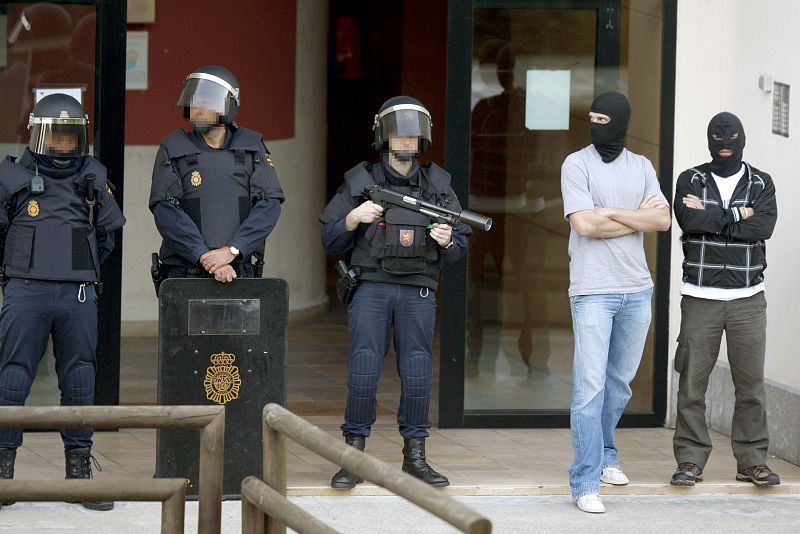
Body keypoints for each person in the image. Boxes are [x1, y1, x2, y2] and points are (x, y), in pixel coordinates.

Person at [320, 96, 472, 488]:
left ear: (423, 140)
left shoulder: (438, 186)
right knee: (364, 368)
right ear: (383, 137)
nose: (405, 141)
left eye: (412, 135)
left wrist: (446, 240)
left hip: (417, 289)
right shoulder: (359, 181)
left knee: (418, 370)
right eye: (398, 134)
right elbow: (329, 236)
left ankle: (415, 456)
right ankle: (352, 458)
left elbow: (459, 249)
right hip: (371, 286)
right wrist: (353, 218)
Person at [0, 93, 126, 512]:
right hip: (25, 291)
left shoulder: (93, 176)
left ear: (81, 139)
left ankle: (80, 475)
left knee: (79, 377)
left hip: (77, 293)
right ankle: (3, 471)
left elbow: (106, 237)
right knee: (13, 376)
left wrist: (78, 273)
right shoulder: (13, 177)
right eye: (54, 138)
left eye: (69, 139)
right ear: (37, 136)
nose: (61, 146)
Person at [560, 91, 671, 513]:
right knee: (588, 388)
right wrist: (632, 215)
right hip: (591, 291)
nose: (595, 126)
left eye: (603, 119)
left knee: (619, 384)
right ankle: (585, 481)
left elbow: (661, 220)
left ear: (621, 122)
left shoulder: (641, 166)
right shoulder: (576, 164)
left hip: (637, 290)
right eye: (592, 118)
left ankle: (607, 454)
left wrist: (611, 211)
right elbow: (585, 225)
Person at [671, 112, 779, 487]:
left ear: (743, 138)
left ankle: (752, 461)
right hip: (700, 297)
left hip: (748, 299)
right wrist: (737, 215)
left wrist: (713, 215)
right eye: (717, 137)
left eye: (731, 136)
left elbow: (763, 226)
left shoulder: (761, 182)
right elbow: (688, 220)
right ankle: (689, 461)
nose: (724, 142)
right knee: (691, 385)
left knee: (750, 386)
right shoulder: (691, 179)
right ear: (708, 140)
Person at [149, 65, 283, 283]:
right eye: (193, 102)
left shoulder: (251, 147)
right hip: (186, 273)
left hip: (239, 270)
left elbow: (269, 204)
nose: (197, 109)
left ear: (228, 107)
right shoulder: (173, 148)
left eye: (206, 102)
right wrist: (204, 256)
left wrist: (232, 250)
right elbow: (165, 210)